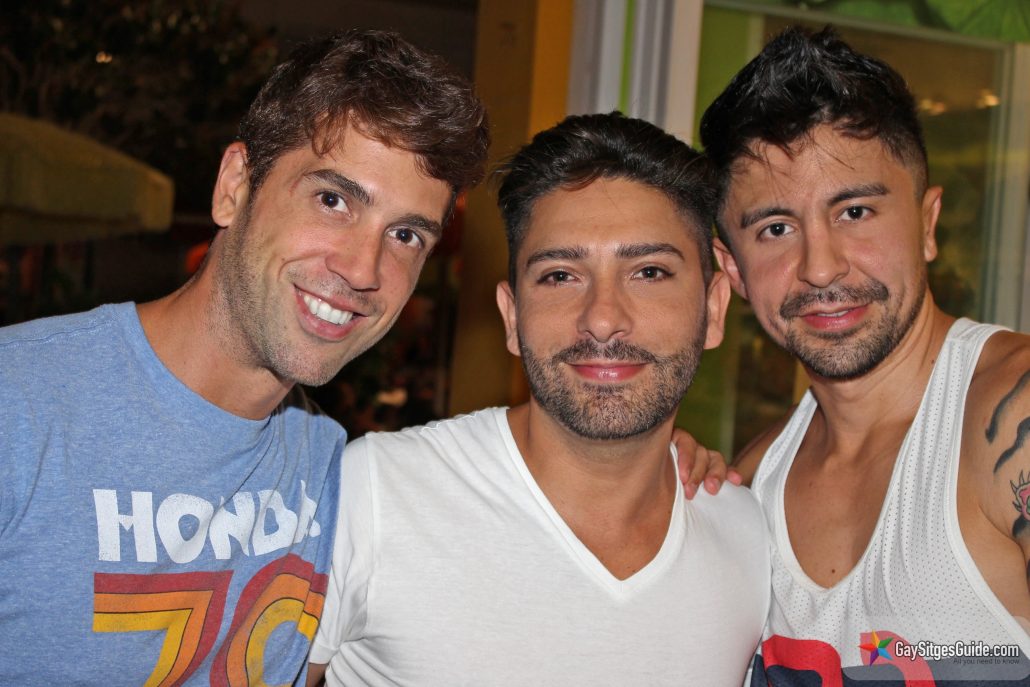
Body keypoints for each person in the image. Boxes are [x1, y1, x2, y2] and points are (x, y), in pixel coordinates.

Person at [0, 30, 489, 685]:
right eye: (333, 200)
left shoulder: (335, 474)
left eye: (405, 235)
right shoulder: (20, 408)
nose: (363, 269)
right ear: (234, 185)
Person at [306, 112, 771, 687]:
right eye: (559, 276)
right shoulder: (375, 496)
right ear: (511, 317)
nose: (603, 318)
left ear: (714, 309)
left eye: (649, 272)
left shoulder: (746, 537)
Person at [699, 25, 1030, 684]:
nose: (820, 267)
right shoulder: (752, 482)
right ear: (732, 270)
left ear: (927, 224)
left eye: (854, 212)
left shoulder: (1008, 418)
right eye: (775, 228)